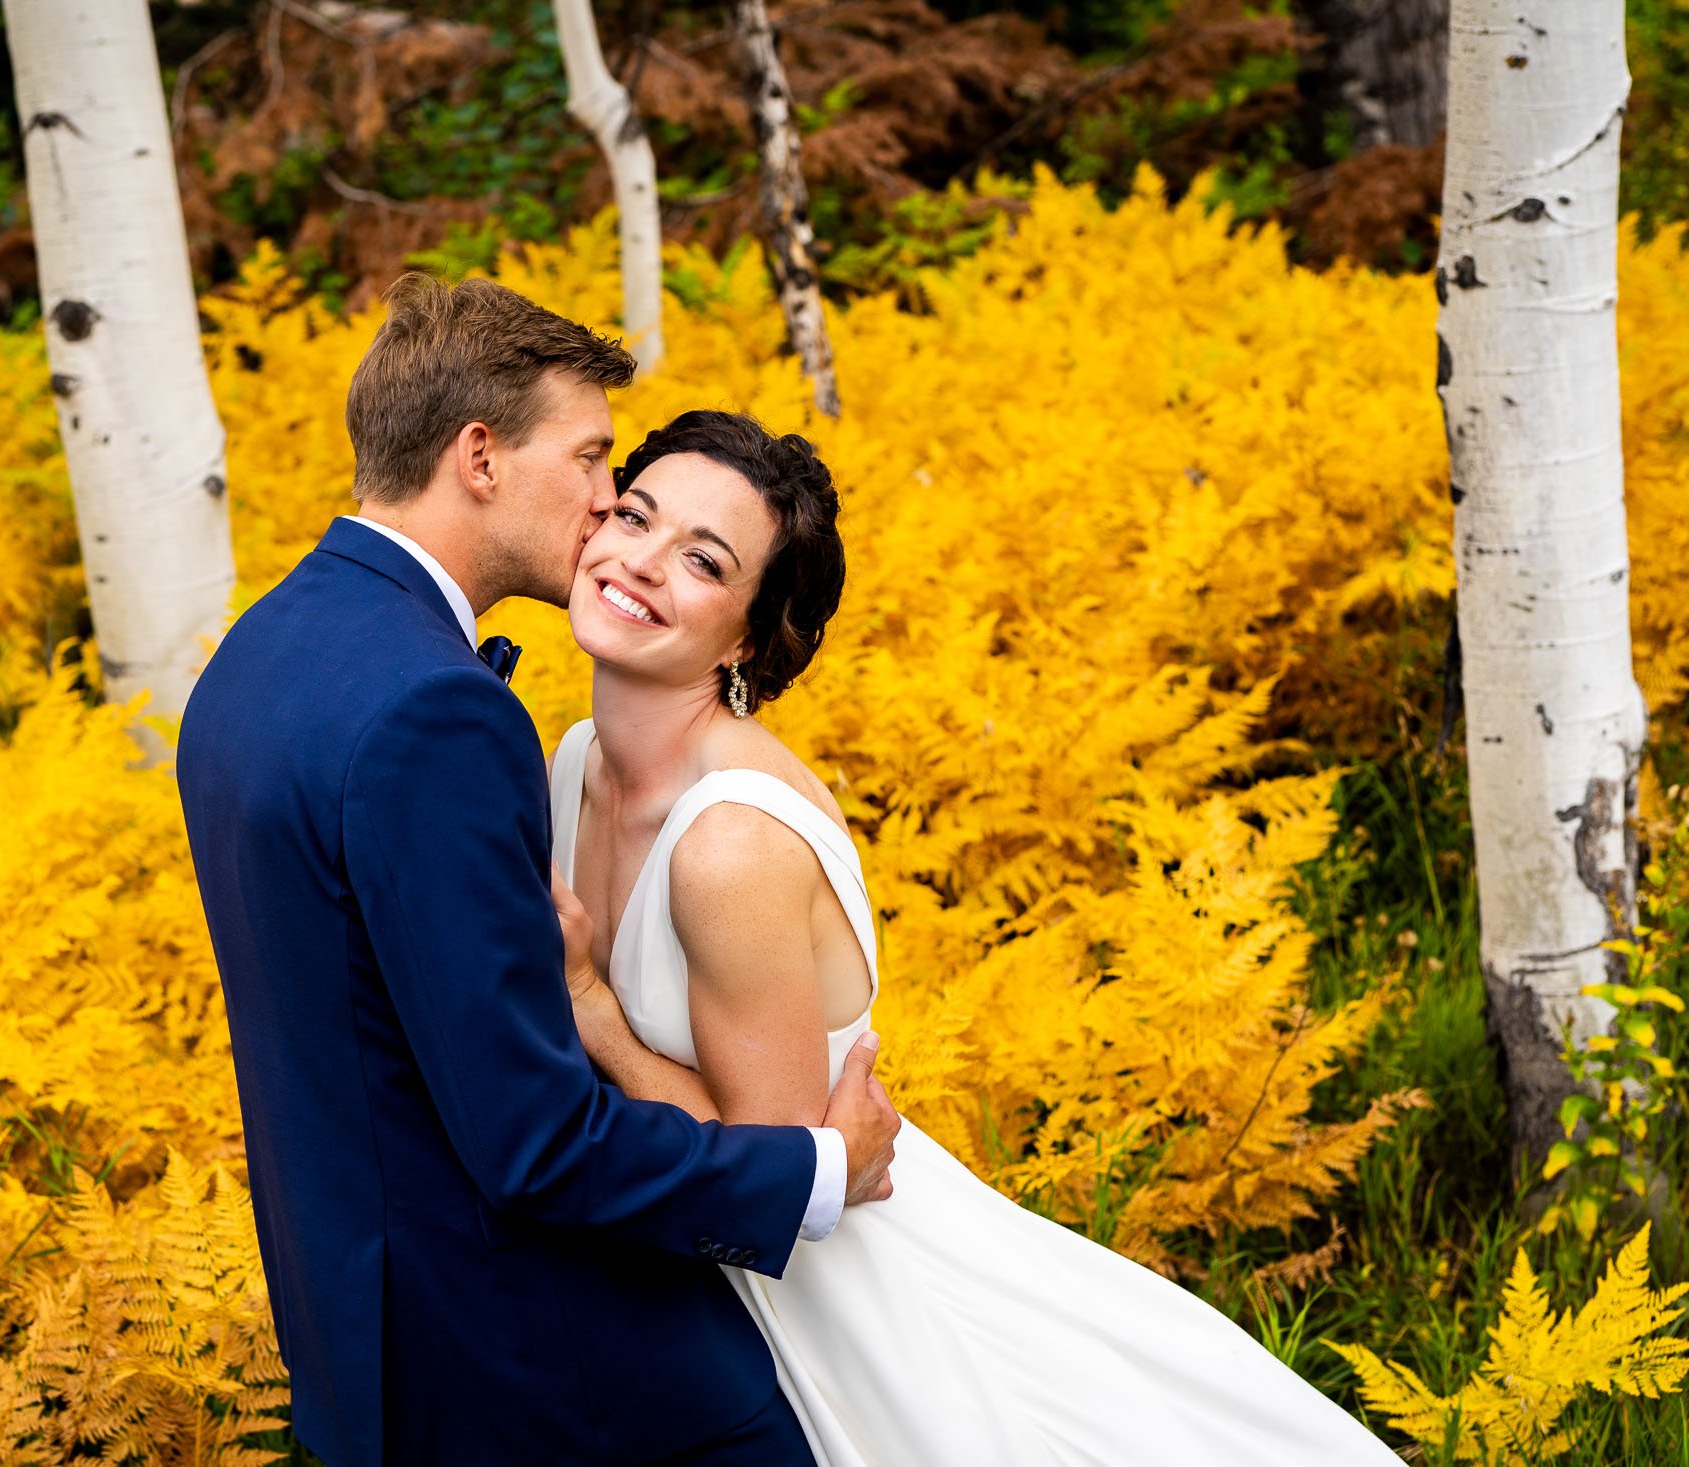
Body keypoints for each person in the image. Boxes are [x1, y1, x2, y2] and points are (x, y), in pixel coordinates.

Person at [549, 408, 1407, 1465]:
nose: (637, 561)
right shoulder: (577, 757)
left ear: (747, 636)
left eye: (702, 560)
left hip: (831, 1297)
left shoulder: (728, 845)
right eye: (632, 515)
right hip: (681, 1284)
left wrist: (594, 1009)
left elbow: (771, 1171)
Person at [174, 274, 900, 1467]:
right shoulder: (438, 716)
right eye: (593, 461)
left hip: (361, 1329)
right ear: (479, 458)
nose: (607, 499)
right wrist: (815, 1171)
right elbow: (532, 1142)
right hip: (527, 1370)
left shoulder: (259, 652)